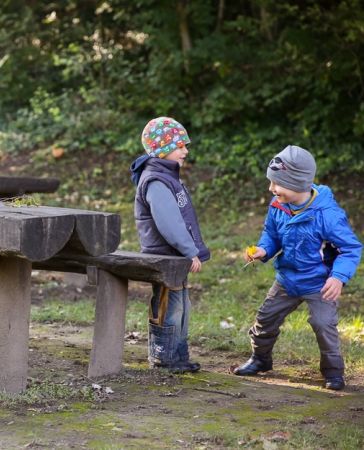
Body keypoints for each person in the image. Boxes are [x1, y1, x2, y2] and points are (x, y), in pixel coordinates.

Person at [233, 145, 362, 391]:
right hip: (287, 280)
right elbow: (272, 234)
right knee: (265, 318)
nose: (271, 188)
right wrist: (263, 250)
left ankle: (333, 373)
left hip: (320, 283)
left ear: (298, 184)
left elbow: (350, 249)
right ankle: (260, 359)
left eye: (277, 184)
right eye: (271, 182)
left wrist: (338, 277)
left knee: (324, 325)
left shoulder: (327, 215)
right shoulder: (277, 205)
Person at [130, 117, 210, 373]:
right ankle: (164, 358)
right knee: (169, 306)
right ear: (163, 149)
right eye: (180, 145)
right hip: (165, 256)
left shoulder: (165, 176)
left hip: (174, 256)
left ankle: (178, 354)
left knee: (181, 305)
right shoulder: (155, 180)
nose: (186, 151)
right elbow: (169, 222)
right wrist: (189, 250)